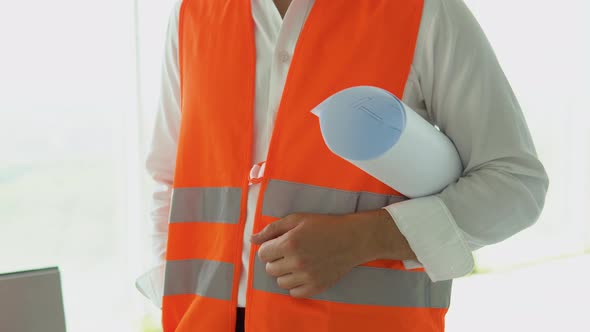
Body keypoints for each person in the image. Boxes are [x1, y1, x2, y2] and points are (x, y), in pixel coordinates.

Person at [142, 0, 549, 331]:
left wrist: (367, 237)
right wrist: (174, 298)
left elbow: (515, 185)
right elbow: (171, 180)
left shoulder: (424, 11)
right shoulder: (193, 14)